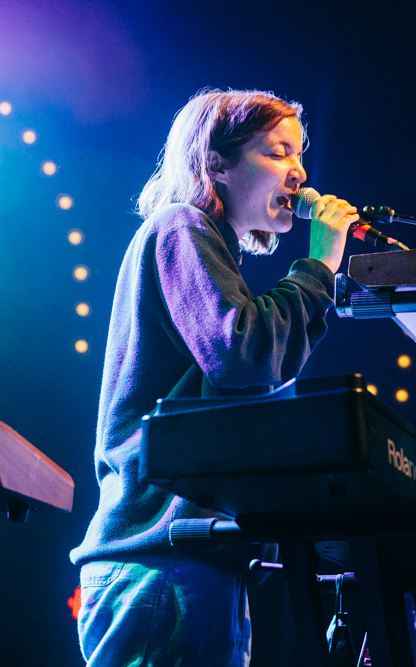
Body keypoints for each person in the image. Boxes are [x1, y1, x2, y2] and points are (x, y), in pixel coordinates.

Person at [70, 88, 359, 666]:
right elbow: (244, 357)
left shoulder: (209, 250)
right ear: (218, 162)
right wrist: (318, 268)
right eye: (278, 152)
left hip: (193, 563)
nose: (299, 172)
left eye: (301, 156)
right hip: (162, 564)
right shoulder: (180, 226)